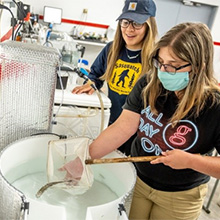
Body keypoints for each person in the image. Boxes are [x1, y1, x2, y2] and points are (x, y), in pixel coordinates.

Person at [61, 22, 220, 220]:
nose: (163, 71)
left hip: (180, 196)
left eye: (173, 66)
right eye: (160, 62)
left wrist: (190, 160)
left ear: (198, 67)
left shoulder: (214, 105)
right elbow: (123, 127)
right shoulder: (149, 84)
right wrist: (83, 160)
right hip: (138, 181)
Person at [72, 0, 158, 155]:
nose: (129, 29)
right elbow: (96, 75)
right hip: (114, 123)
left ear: (148, 26)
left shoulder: (155, 57)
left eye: (137, 24)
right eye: (125, 22)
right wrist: (91, 84)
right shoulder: (111, 49)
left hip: (140, 132)